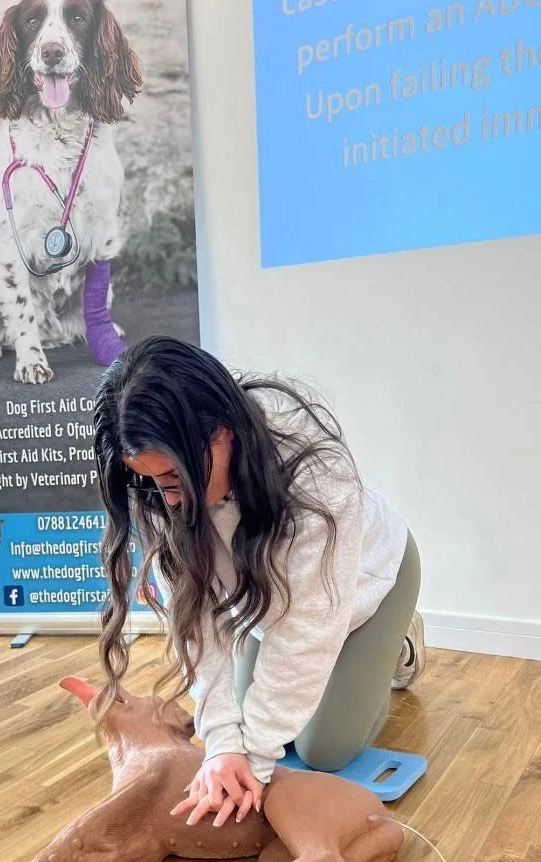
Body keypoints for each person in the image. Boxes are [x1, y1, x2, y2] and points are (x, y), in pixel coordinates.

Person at [92, 337, 424, 829]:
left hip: (366, 584)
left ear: (220, 433)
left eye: (174, 478)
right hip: (267, 606)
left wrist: (257, 758)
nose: (169, 499)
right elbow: (198, 623)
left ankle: (397, 642)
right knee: (249, 728)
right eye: (152, 482)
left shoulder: (316, 472)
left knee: (322, 749)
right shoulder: (160, 491)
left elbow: (308, 629)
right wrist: (224, 747)